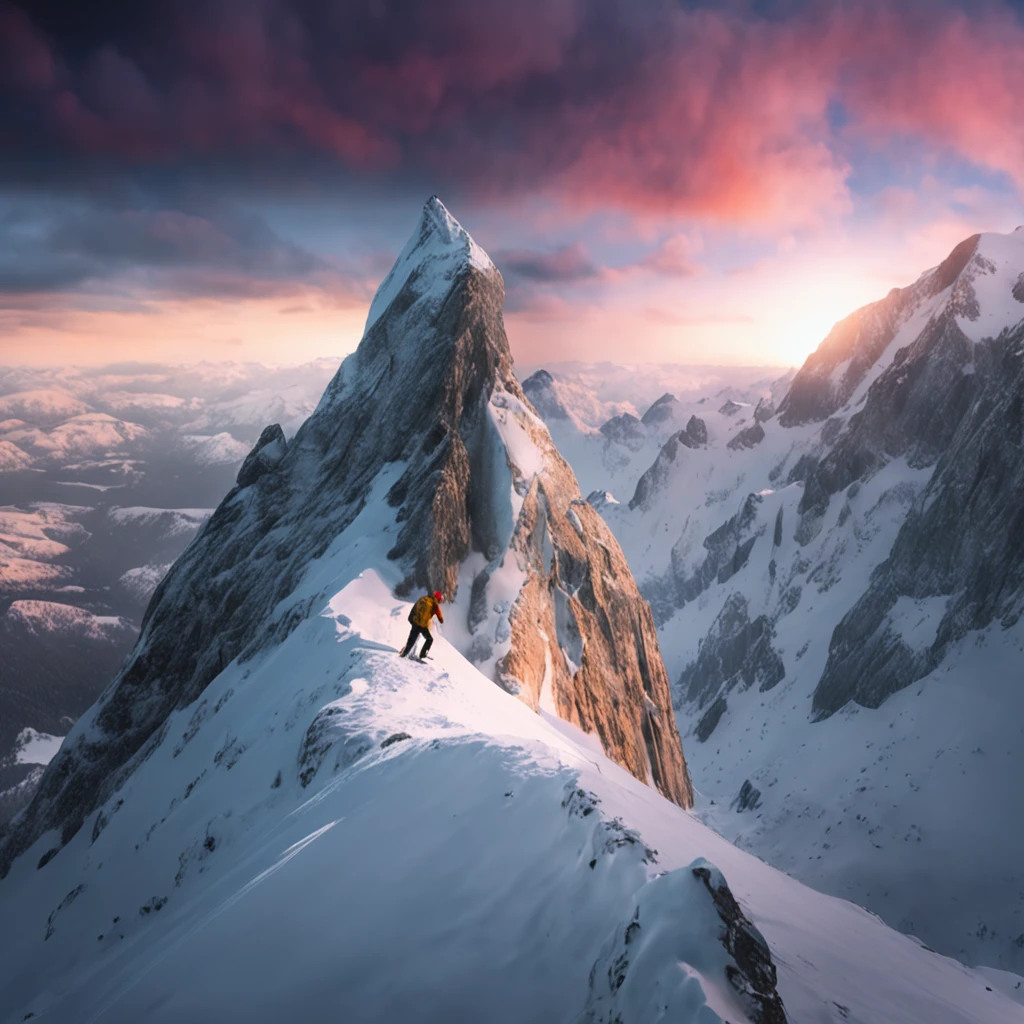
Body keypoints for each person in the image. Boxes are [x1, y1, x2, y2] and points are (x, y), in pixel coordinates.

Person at [401, 590, 444, 660]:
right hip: (422, 626)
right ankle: (422, 655)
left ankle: (404, 653)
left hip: (415, 622)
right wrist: (440, 619)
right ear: (438, 599)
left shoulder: (423, 598)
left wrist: (411, 619)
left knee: (411, 640)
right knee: (429, 639)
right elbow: (441, 619)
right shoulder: (435, 606)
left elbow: (415, 608)